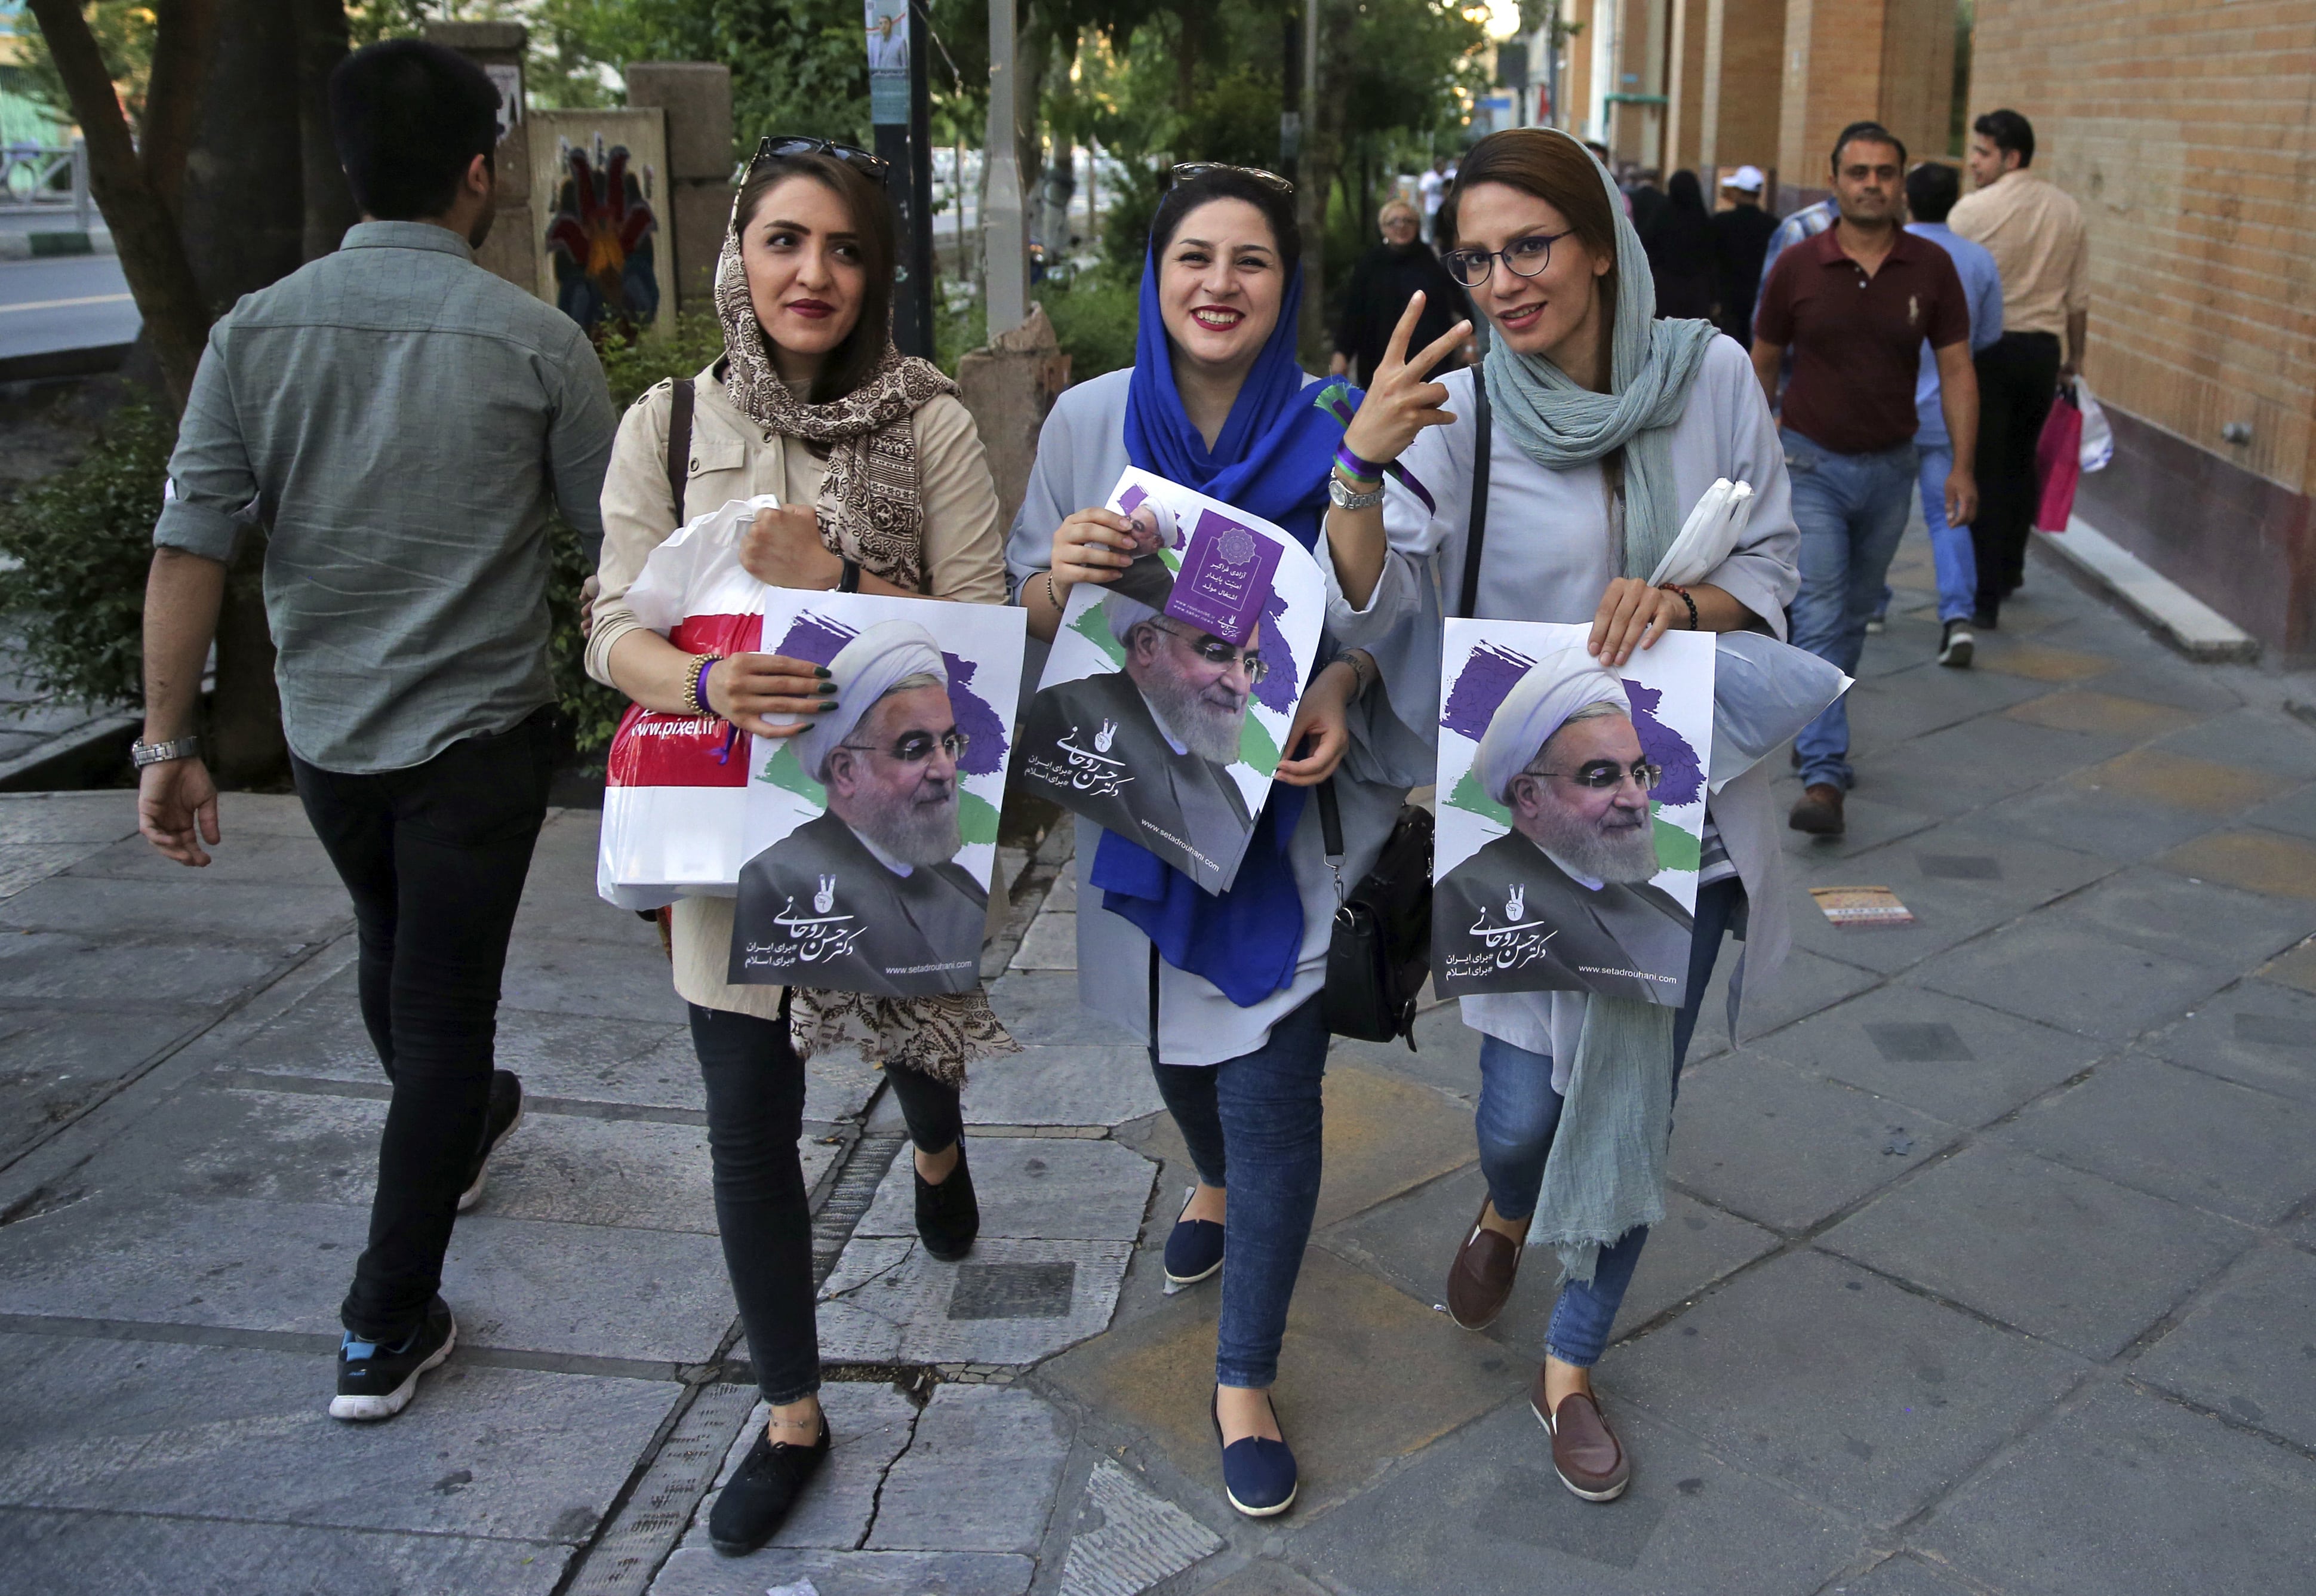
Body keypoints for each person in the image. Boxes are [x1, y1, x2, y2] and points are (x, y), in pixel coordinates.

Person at [136, 41, 616, 1425]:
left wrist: (165, 742)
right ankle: (382, 1318)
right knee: (442, 1005)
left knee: (397, 953)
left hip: (330, 739)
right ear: (479, 173)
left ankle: (451, 1125)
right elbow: (616, 555)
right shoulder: (538, 341)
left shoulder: (252, 331)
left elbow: (190, 547)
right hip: (479, 742)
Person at [1322, 126, 1800, 1505]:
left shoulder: (1706, 375)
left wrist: (1683, 600)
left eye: (1529, 245)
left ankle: (1572, 1364)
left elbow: (1770, 563)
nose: (1503, 280)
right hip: (1521, 812)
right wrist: (1355, 469)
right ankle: (1508, 1200)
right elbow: (1371, 594)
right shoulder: (1465, 407)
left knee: (1628, 1100)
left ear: (1599, 240)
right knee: (1523, 1110)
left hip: (1679, 805)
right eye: (1476, 256)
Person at [587, 137, 1011, 1555]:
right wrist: (704, 681)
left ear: (875, 270)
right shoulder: (662, 423)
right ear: (740, 256)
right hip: (724, 815)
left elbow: (983, 628)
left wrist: (836, 578)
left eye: (839, 247)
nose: (810, 272)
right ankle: (789, 1410)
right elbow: (610, 627)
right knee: (745, 1120)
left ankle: (935, 1147)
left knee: (911, 1037)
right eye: (783, 240)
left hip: (883, 809)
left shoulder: (935, 422)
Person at [1010, 163, 1414, 1520]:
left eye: (1249, 259)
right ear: (1156, 272)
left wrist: (1345, 687)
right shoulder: (1085, 418)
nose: (1219, 283)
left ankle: (1244, 1372)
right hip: (1141, 805)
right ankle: (1222, 1181)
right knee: (1176, 1048)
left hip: (1283, 830)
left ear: (1284, 285)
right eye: (1195, 255)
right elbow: (1021, 595)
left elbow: (1376, 612)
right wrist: (1055, 575)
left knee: (1270, 1081)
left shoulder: (1333, 428)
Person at [1751, 122, 1977, 837]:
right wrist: (1756, 452)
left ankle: (1814, 709)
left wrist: (1963, 465)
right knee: (1818, 614)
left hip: (1892, 470)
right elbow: (1761, 360)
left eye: (1884, 172)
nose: (1871, 183)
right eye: (1858, 172)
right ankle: (1823, 773)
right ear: (1836, 179)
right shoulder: (1797, 265)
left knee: (1850, 617)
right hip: (1810, 466)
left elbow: (1957, 368)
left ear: (1901, 182)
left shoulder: (1931, 268)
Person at [732, 622, 988, 996]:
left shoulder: (962, 890)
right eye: (915, 749)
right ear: (845, 771)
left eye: (949, 744)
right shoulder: (777, 880)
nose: (946, 770)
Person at [1435, 664, 1693, 1003]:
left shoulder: (1656, 903)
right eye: (1601, 776)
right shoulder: (1472, 894)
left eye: (1640, 773)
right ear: (1529, 795)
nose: (1635, 799)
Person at [1018, 588, 1258, 892]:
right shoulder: (1071, 709)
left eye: (1250, 665)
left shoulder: (1219, 778)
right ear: (1147, 645)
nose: (1239, 685)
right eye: (1215, 653)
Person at [1949, 109, 2089, 628]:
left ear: (2011, 157)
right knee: (2020, 463)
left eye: (1982, 152)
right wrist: (2074, 360)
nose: (1974, 162)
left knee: (1983, 468)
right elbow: (2078, 299)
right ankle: (2010, 569)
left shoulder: (1970, 212)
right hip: (2043, 353)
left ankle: (1982, 598)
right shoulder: (2067, 210)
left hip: (1988, 352)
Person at [1904, 161, 2004, 668]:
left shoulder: (1889, 255)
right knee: (1948, 514)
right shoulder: (1977, 259)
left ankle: (1873, 606)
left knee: (1875, 515)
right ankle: (1957, 615)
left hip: (1890, 412)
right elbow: (1985, 337)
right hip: (1946, 411)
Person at [1330, 198, 1468, 386]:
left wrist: (1470, 343)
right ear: (1382, 228)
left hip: (1431, 365)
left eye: (1408, 221)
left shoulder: (1433, 261)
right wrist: (1342, 353)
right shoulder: (1369, 265)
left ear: (1417, 225)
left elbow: (1458, 302)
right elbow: (1353, 313)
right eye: (1393, 222)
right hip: (1377, 361)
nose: (1401, 226)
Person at [1709, 165, 1776, 346]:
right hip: (1760, 296)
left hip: (1728, 296)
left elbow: (1712, 261)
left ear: (1739, 192)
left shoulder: (1721, 222)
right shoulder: (1773, 225)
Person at [1642, 170, 1716, 320]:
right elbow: (1710, 257)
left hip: (1665, 287)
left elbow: (1648, 245)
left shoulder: (1662, 214)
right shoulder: (1701, 218)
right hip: (1697, 290)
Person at [1419, 153, 1452, 242]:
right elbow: (1423, 193)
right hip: (1431, 209)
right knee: (1432, 231)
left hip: (1444, 208)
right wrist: (1423, 208)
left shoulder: (1449, 176)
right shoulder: (1429, 177)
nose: (1443, 168)